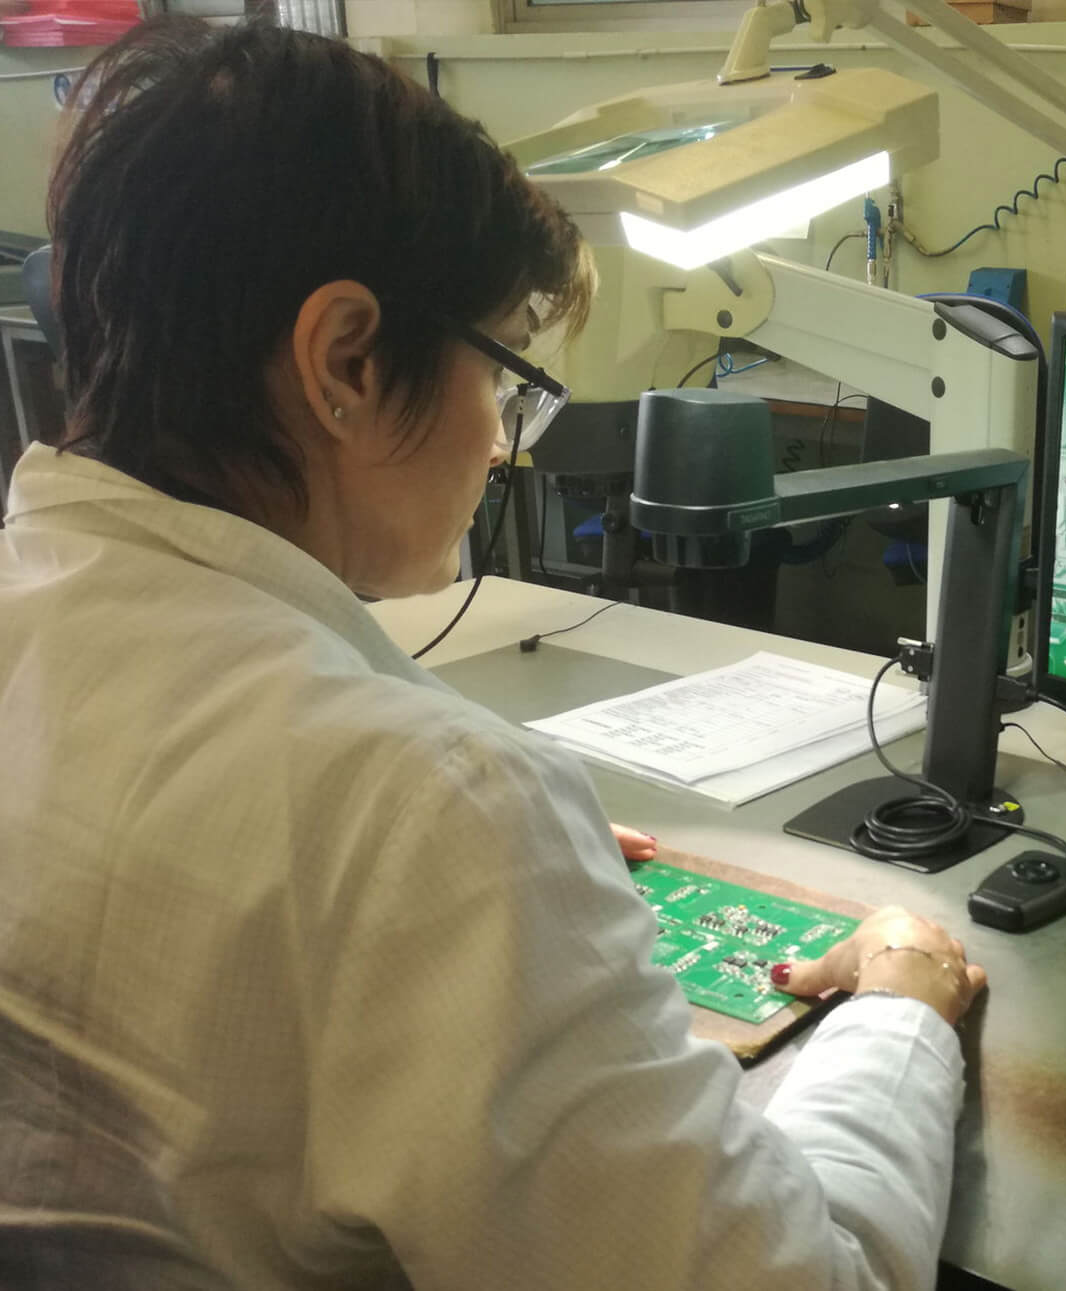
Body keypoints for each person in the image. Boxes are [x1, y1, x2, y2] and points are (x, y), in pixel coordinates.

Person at [0, 17, 986, 1290]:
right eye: (510, 376)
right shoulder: (431, 815)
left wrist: (500, 897)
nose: (505, 443)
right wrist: (904, 1007)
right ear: (348, 360)